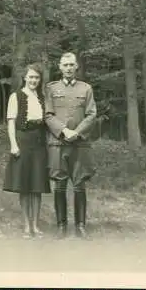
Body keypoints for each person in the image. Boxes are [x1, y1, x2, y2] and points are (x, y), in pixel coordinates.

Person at [44, 52, 97, 239]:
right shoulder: (51, 89)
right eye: (65, 65)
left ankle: (81, 226)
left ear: (76, 67)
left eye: (71, 65)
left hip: (79, 144)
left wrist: (77, 132)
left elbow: (91, 114)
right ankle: (61, 226)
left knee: (79, 185)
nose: (68, 68)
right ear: (59, 67)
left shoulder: (86, 89)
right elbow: (48, 115)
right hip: (58, 143)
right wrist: (64, 131)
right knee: (59, 185)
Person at [3, 63, 51, 239]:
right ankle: (26, 226)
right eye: (31, 77)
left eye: (37, 78)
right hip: (23, 140)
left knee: (37, 185)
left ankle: (36, 226)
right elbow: (10, 122)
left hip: (39, 142)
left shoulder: (42, 97)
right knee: (24, 185)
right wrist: (13, 145)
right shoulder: (16, 97)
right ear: (24, 78)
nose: (33, 80)